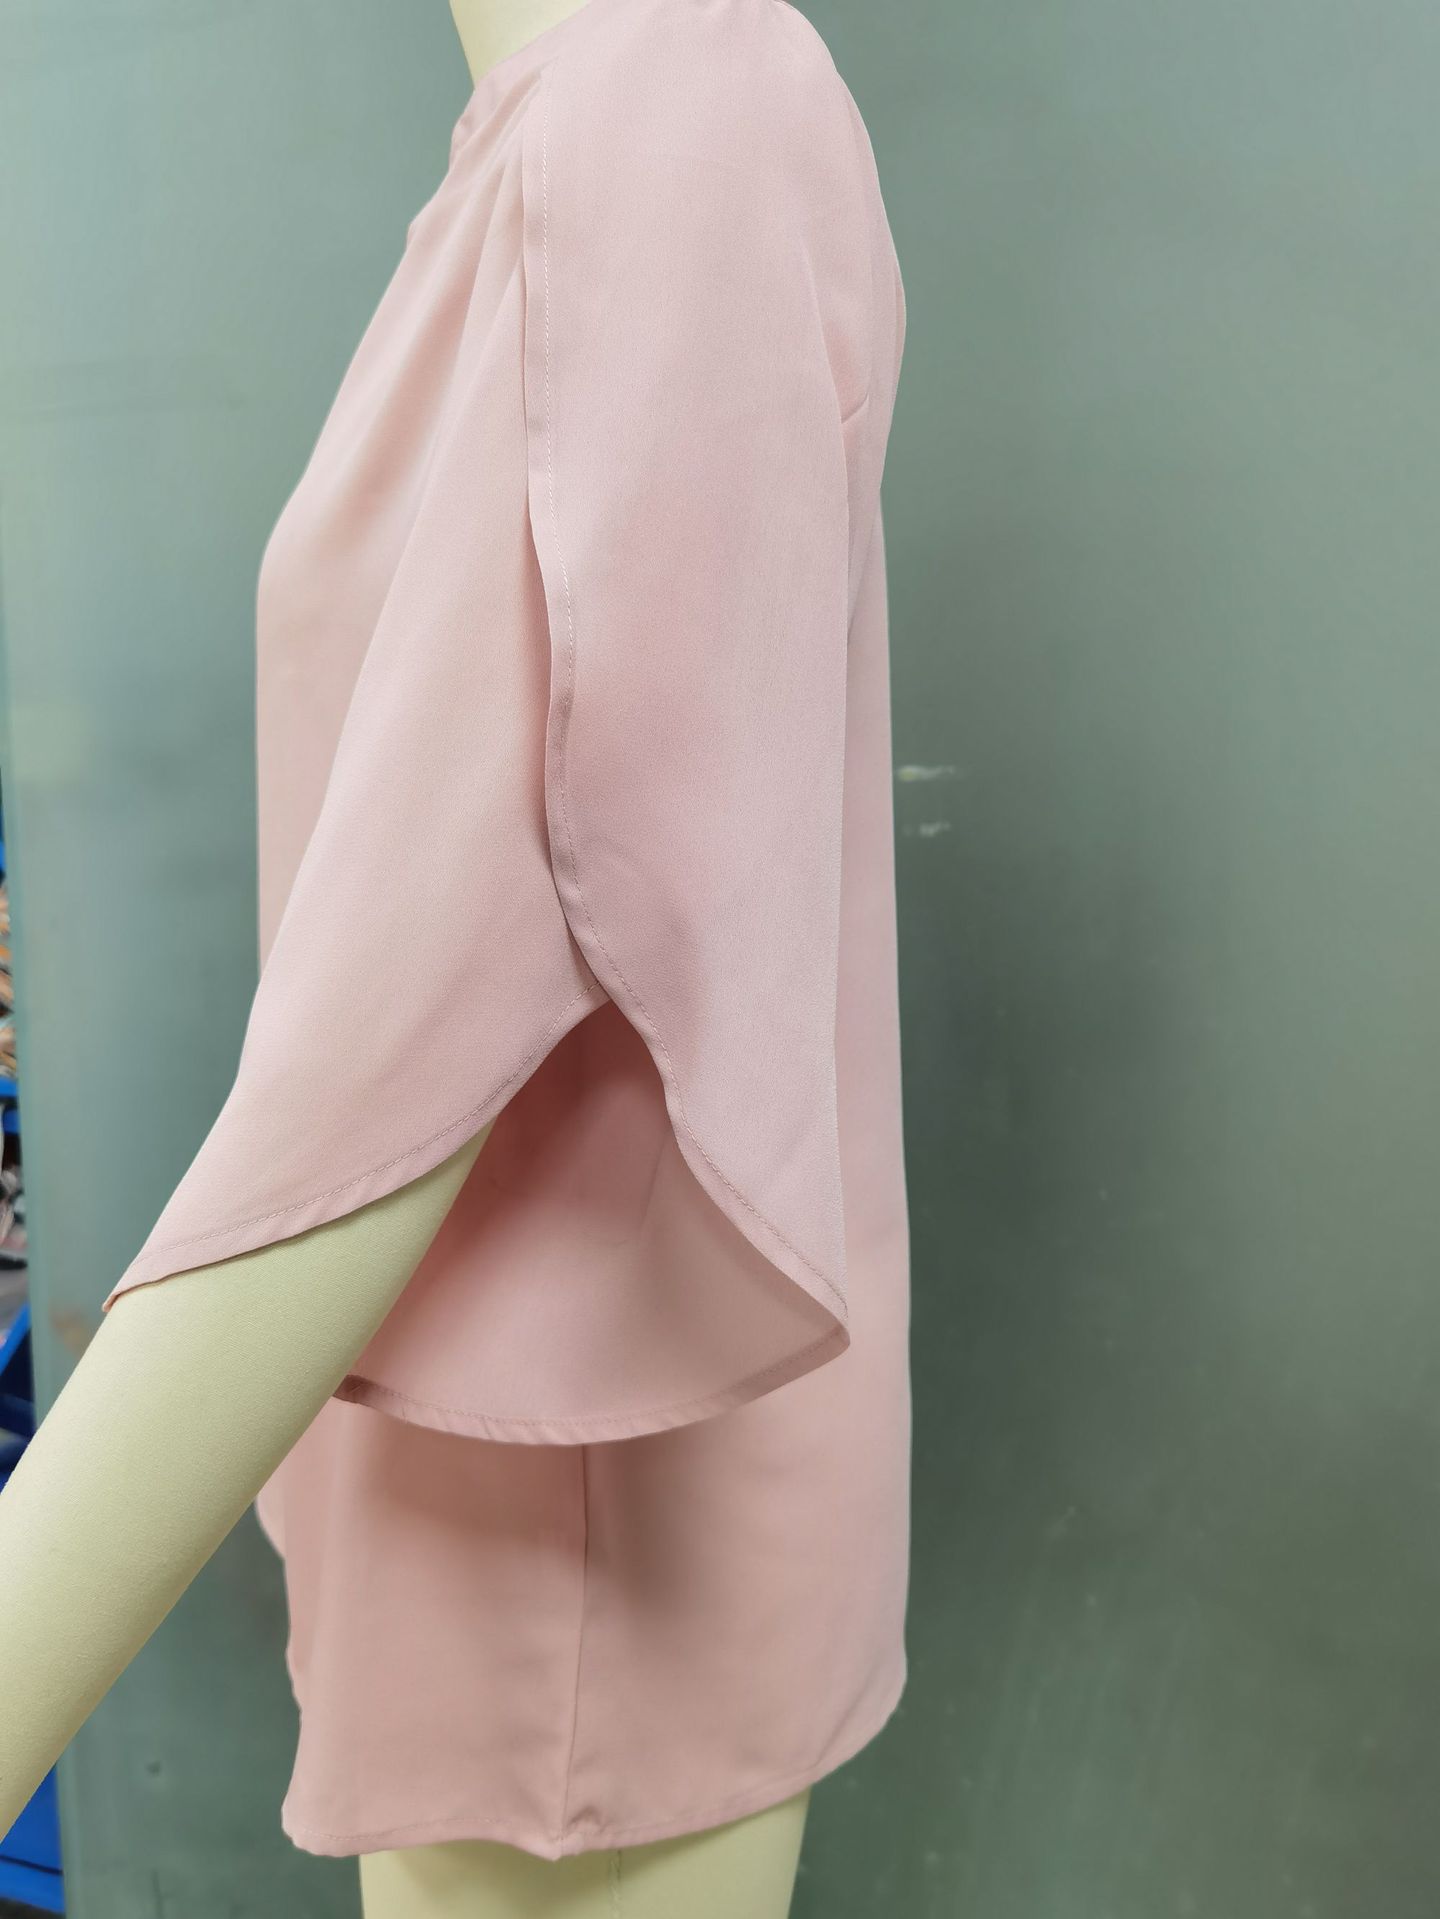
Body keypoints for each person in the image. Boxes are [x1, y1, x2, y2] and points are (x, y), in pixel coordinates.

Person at [0, 0, 911, 1910]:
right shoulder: (550, 138)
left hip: (586, 1559)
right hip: (471, 1494)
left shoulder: (674, 118)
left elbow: (399, 1058)